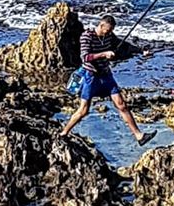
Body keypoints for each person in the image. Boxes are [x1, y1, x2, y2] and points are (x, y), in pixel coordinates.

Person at [60, 14, 157, 146]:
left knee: (121, 104)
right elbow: (85, 57)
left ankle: (139, 136)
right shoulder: (87, 36)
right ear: (101, 25)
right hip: (90, 76)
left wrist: (141, 51)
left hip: (106, 75)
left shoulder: (109, 36)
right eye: (108, 30)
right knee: (83, 110)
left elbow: (124, 45)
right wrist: (104, 54)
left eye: (111, 31)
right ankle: (64, 133)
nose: (109, 33)